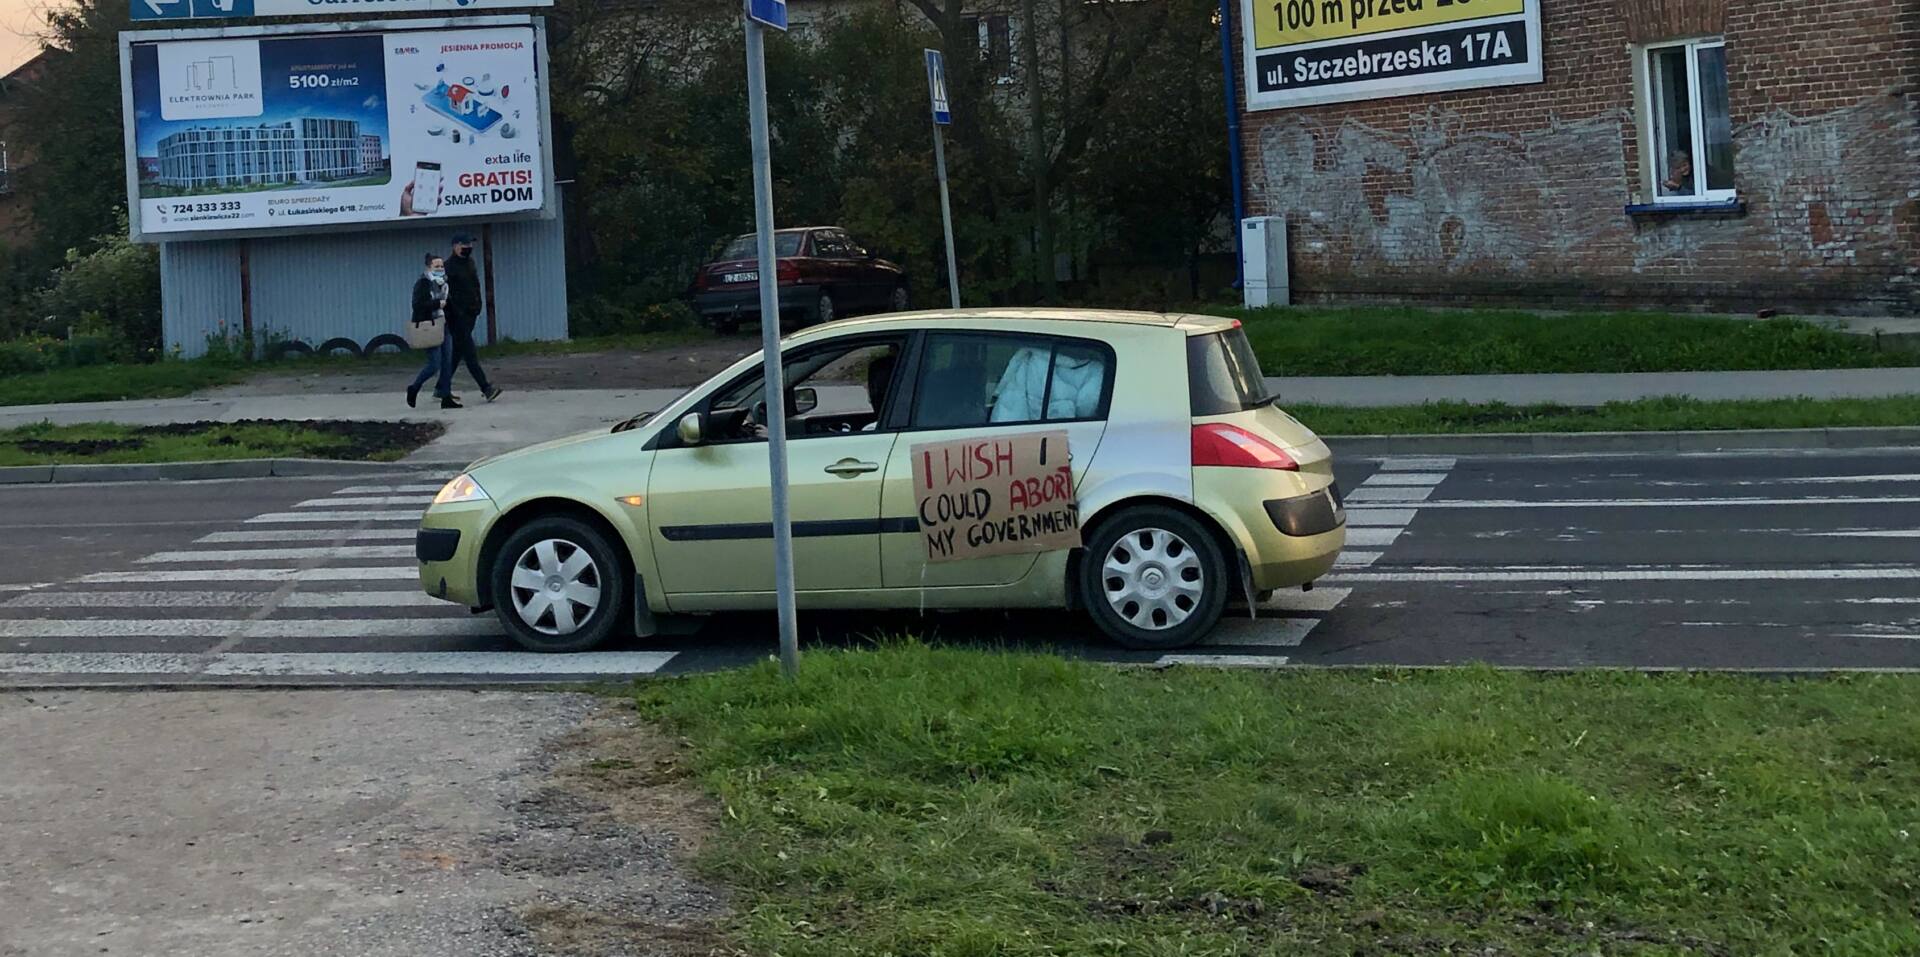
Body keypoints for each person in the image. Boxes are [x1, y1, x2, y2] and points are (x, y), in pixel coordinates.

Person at [444, 233, 503, 403]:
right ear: (455, 246)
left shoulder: (470, 263)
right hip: (457, 317)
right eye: (464, 244)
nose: (468, 247)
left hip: (471, 313)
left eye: (470, 244)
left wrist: (478, 305)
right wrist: (454, 312)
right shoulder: (448, 267)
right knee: (469, 353)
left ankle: (441, 388)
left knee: (457, 352)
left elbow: (475, 286)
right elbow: (445, 293)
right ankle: (486, 388)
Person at [406, 254, 459, 409]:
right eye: (436, 266)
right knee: (434, 363)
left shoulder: (445, 284)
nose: (440, 269)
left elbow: (449, 304)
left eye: (441, 266)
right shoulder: (423, 283)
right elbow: (417, 305)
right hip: (429, 326)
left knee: (447, 363)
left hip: (444, 325)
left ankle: (446, 397)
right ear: (429, 267)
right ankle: (414, 387)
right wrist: (437, 304)